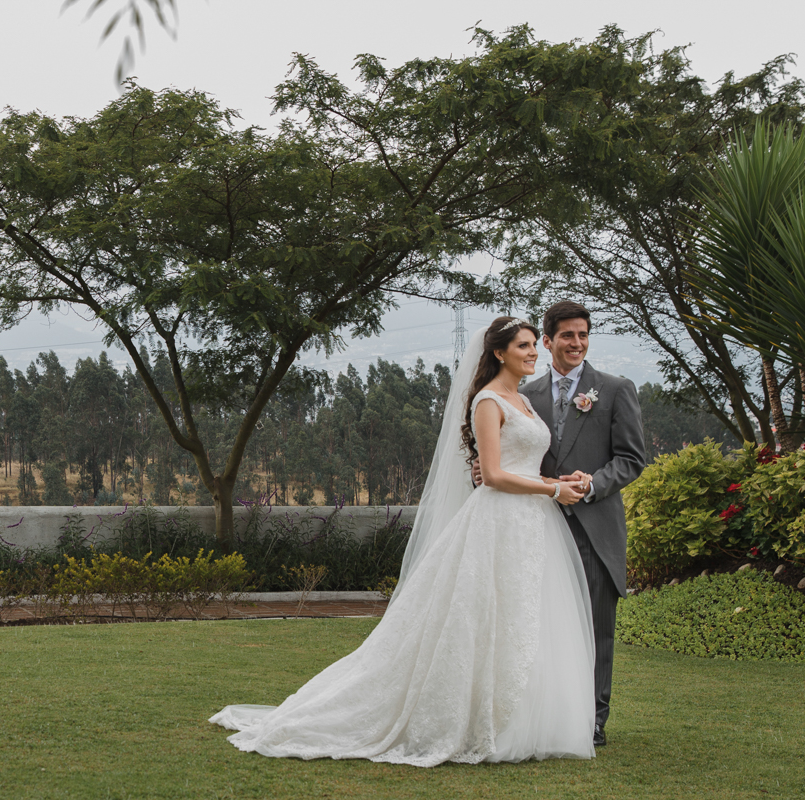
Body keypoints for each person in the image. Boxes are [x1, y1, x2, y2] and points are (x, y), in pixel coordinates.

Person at [209, 316, 597, 767]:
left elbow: (521, 465)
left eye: (534, 345)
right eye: (525, 346)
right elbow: (492, 475)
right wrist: (552, 489)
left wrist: (558, 479)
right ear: (498, 352)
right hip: (499, 522)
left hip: (530, 523)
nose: (534, 352)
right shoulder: (490, 401)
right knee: (487, 617)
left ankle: (521, 719)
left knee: (524, 617)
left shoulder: (523, 402)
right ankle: (474, 720)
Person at [479, 301, 645, 748]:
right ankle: (546, 714)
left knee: (595, 626)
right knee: (540, 624)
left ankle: (592, 719)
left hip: (594, 526)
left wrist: (592, 483)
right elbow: (510, 454)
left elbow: (632, 460)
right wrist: (484, 470)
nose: (577, 343)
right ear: (549, 341)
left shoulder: (614, 389)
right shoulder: (521, 394)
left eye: (584, 335)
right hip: (536, 527)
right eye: (568, 336)